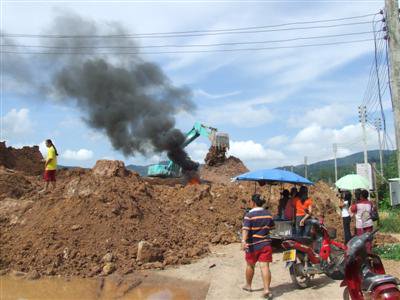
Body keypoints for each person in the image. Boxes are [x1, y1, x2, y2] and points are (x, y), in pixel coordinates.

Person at [242, 194, 275, 299]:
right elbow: (273, 227)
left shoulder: (249, 215)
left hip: (252, 245)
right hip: (265, 244)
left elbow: (245, 229)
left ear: (253, 202)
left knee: (250, 265)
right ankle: (266, 290)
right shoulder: (268, 214)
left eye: (250, 201)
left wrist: (243, 241)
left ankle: (248, 285)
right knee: (265, 267)